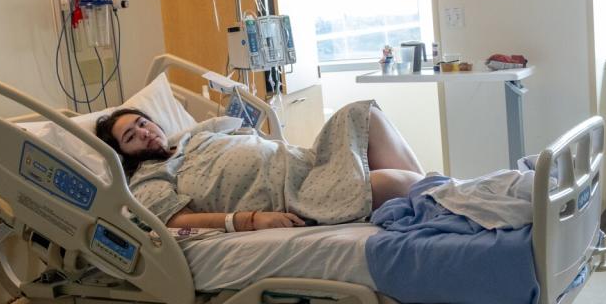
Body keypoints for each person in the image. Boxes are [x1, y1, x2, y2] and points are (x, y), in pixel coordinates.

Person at [95, 101, 424, 231]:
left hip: (306, 162)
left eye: (142, 122)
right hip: (298, 193)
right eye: (130, 135)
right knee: (394, 184)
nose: (143, 131)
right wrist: (250, 220)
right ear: (123, 154)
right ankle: (441, 197)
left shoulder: (190, 140)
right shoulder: (147, 179)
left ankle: (440, 195)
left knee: (362, 113)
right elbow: (175, 220)